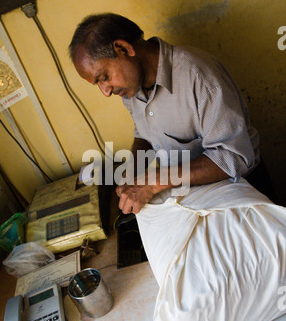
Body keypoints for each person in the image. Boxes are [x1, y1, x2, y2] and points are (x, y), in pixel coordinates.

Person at [69, 13, 269, 214]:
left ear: (124, 48)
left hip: (239, 193)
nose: (105, 91)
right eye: (98, 84)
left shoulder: (198, 76)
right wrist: (131, 174)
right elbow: (145, 135)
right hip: (190, 196)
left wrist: (155, 182)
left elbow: (235, 156)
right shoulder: (130, 89)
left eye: (104, 77)